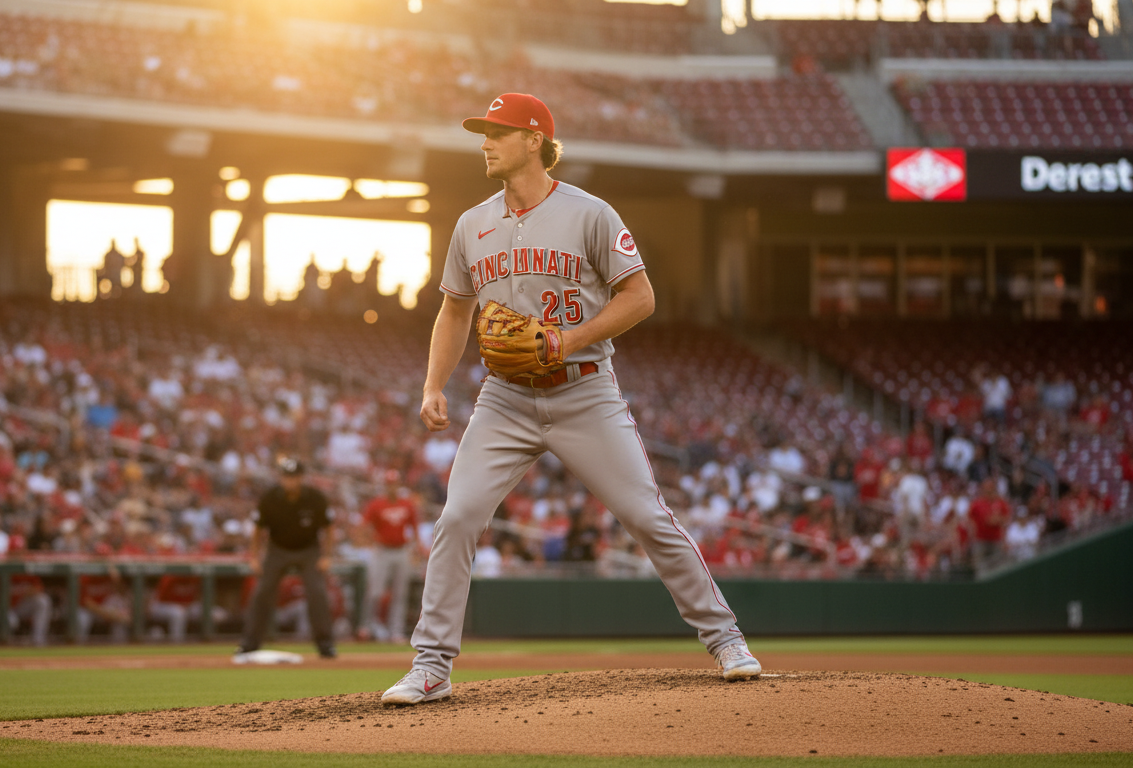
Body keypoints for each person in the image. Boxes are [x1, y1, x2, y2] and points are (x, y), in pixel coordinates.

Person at [382, 93, 760, 706]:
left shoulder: (591, 214)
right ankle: (431, 666)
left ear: (534, 139)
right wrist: (432, 385)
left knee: (645, 515)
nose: (484, 143)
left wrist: (568, 340)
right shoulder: (470, 223)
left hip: (584, 389)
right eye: (484, 133)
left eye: (496, 133)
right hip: (503, 399)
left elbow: (640, 298)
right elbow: (454, 312)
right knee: (457, 518)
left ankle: (726, 640)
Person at [234, 457, 337, 660]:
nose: (291, 482)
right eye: (287, 477)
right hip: (277, 549)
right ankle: (249, 643)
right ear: (281, 478)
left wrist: (327, 556)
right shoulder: (270, 497)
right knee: (262, 591)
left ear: (301, 478)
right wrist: (254, 556)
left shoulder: (315, 498)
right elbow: (258, 529)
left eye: (294, 477)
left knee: (317, 592)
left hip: (308, 550)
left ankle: (326, 645)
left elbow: (329, 528)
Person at [361, 469, 422, 642]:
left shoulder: (407, 504)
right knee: (375, 591)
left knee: (400, 593)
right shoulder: (377, 504)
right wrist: (369, 542)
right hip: (382, 550)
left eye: (394, 484)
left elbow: (414, 528)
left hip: (401, 550)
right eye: (389, 484)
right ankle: (367, 626)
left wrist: (416, 549)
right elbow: (364, 526)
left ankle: (396, 631)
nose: (391, 487)